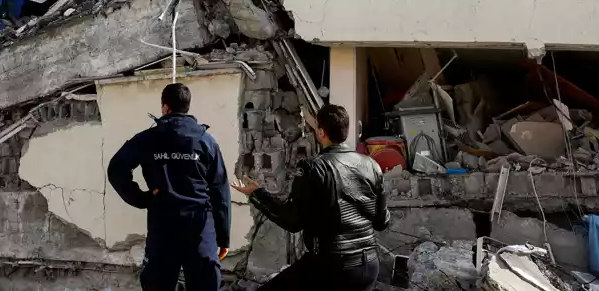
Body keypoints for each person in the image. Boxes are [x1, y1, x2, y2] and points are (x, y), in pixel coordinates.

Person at [232, 104, 390, 290]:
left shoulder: (313, 168)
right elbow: (382, 222)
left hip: (330, 267)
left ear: (321, 132)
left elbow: (293, 221)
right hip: (368, 265)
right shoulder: (372, 165)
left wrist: (256, 194)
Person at [107, 82, 231, 291]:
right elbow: (220, 189)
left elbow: (116, 169)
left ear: (165, 107)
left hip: (163, 227)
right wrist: (223, 236)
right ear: (187, 107)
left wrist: (141, 199)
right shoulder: (206, 141)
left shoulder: (147, 139)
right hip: (200, 229)